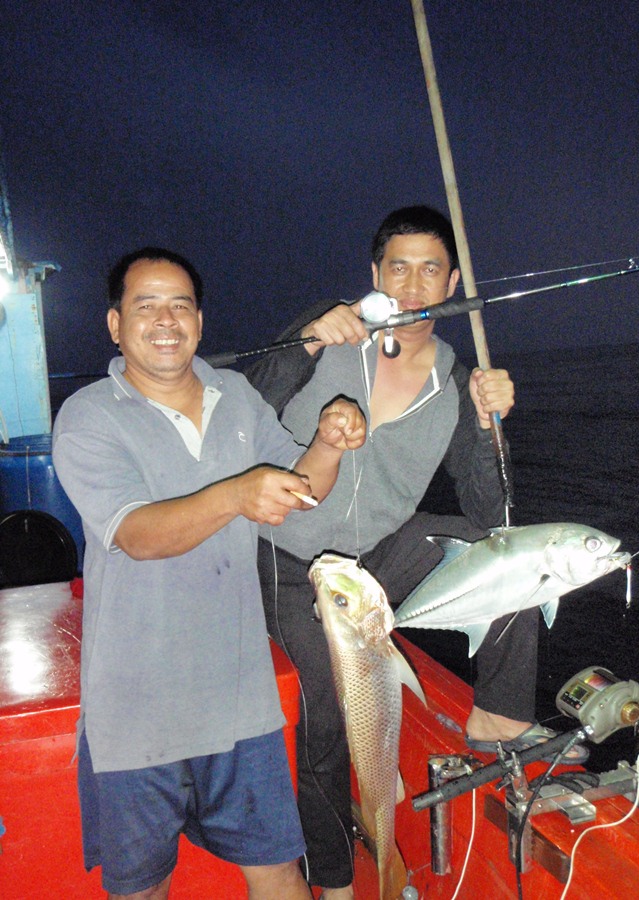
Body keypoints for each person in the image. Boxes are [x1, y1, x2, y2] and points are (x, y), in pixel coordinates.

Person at [246, 205, 588, 899]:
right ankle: (337, 881)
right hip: (286, 562)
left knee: (503, 551)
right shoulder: (327, 332)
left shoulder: (455, 382)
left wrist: (491, 426)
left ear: (450, 282)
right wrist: (308, 340)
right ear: (373, 274)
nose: (410, 283)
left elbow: (491, 511)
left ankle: (498, 716)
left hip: (373, 562)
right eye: (396, 266)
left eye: (429, 269)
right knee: (329, 708)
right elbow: (241, 407)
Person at [52, 247, 366, 900]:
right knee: (142, 888)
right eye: (145, 305)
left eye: (181, 305)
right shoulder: (88, 416)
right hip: (135, 713)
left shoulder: (237, 396)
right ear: (115, 324)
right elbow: (137, 535)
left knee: (279, 872)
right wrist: (237, 494)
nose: (165, 319)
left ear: (199, 319)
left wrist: (330, 443)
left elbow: (300, 486)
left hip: (238, 701)